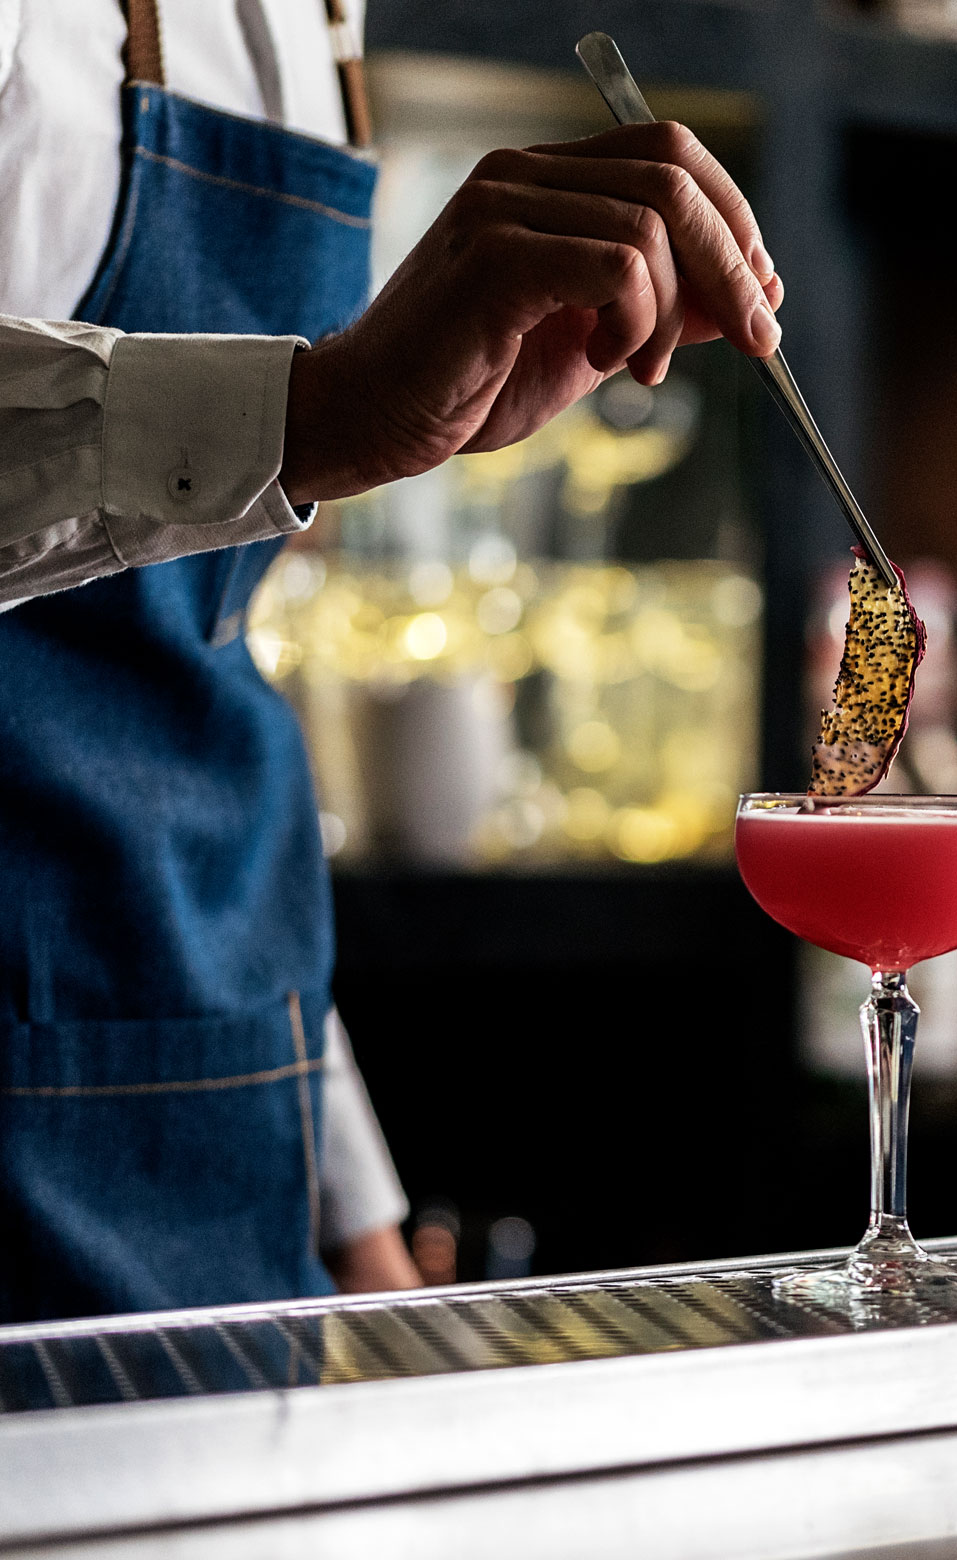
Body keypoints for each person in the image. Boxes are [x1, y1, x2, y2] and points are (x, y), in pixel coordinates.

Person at [0, 0, 783, 1323]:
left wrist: (348, 1198)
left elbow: (207, 635)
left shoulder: (320, 23)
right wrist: (309, 414)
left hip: (231, 1086)